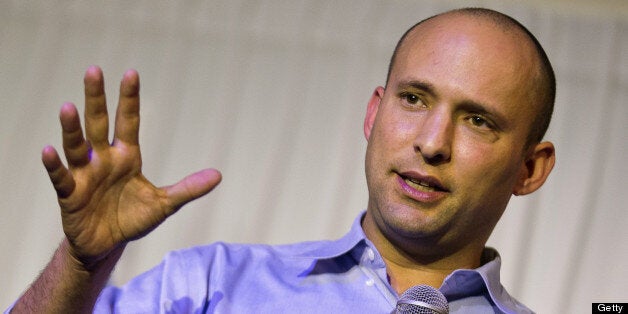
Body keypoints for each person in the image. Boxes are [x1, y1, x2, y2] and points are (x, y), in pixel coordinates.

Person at [9, 7, 556, 313]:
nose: (433, 142)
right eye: (414, 99)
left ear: (529, 169)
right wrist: (82, 266)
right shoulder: (208, 286)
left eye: (478, 120)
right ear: (374, 114)